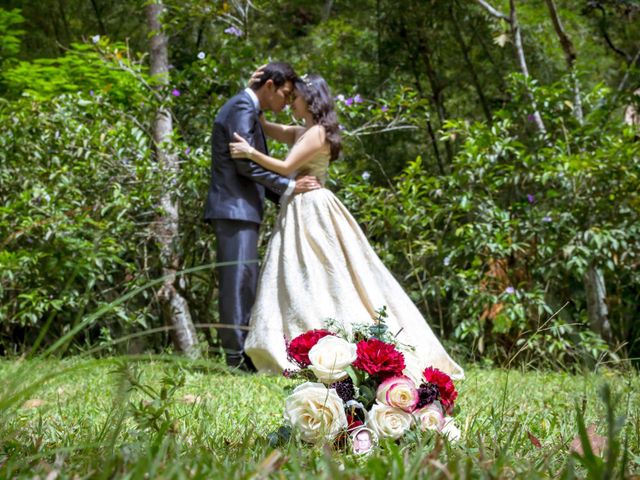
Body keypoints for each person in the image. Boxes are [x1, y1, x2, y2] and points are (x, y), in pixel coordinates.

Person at [228, 74, 464, 380]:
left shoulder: (317, 133)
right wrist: (253, 87)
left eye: (295, 97)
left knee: (323, 273)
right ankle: (298, 340)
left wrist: (251, 154)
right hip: (298, 207)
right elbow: (264, 124)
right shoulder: (303, 131)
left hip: (312, 207)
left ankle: (329, 341)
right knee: (298, 277)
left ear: (310, 100)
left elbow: (286, 168)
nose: (291, 103)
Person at [204, 62, 321, 370]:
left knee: (244, 280)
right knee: (237, 281)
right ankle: (235, 357)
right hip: (234, 208)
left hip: (242, 208)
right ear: (268, 86)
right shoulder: (242, 105)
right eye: (284, 93)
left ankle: (243, 353)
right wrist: (288, 186)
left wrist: (283, 194)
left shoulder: (247, 107)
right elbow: (243, 163)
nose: (285, 102)